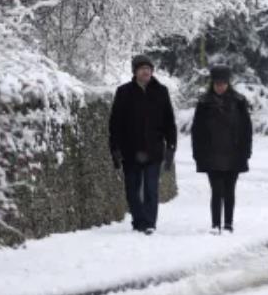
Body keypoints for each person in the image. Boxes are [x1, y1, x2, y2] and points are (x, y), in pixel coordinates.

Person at [108, 54, 177, 235]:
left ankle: (149, 223)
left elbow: (169, 121)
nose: (146, 71)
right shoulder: (124, 92)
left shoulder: (161, 91)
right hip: (130, 150)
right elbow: (115, 123)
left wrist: (171, 146)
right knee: (132, 189)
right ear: (135, 72)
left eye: (148, 68)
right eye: (142, 68)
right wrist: (114, 148)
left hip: (154, 150)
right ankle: (138, 220)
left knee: (151, 188)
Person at [191, 63, 253, 234]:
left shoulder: (239, 101)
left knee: (229, 190)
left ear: (228, 83)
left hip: (234, 153)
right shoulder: (204, 102)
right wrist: (198, 154)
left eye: (223, 83)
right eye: (217, 83)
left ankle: (228, 224)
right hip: (211, 154)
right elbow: (196, 131)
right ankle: (215, 224)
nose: (220, 87)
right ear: (212, 83)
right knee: (216, 190)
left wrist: (246, 151)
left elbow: (247, 129)